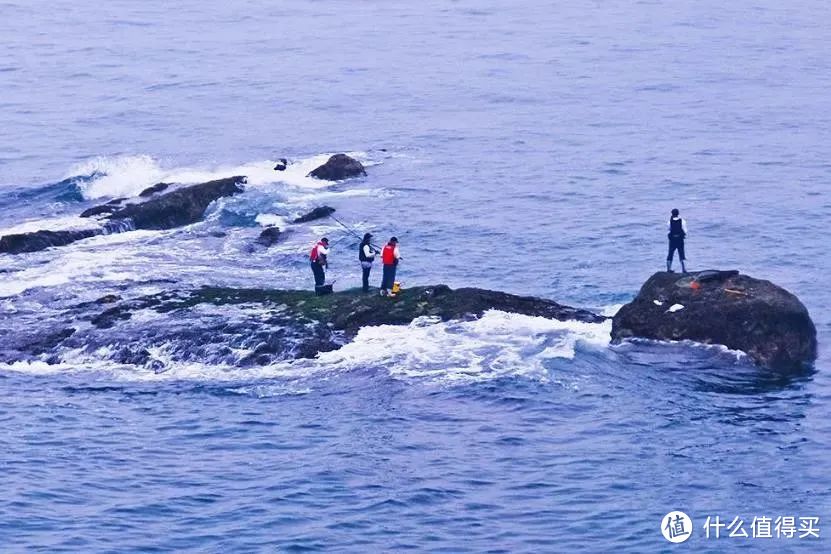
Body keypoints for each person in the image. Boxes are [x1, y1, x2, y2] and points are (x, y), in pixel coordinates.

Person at [666, 209, 687, 273]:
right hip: (680, 239)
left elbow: (669, 229)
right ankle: (684, 269)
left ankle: (669, 269)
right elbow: (685, 231)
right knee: (681, 253)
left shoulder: (669, 221)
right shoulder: (682, 221)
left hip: (672, 240)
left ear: (672, 214)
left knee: (670, 253)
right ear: (678, 214)